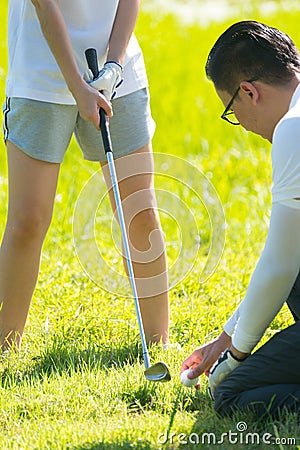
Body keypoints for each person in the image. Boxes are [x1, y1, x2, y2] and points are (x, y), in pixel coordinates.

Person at [0, 0, 170, 351]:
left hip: (116, 75)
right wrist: (78, 87)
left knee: (138, 212)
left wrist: (114, 67)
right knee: (27, 220)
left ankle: (157, 345)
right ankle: (4, 345)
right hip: (40, 73)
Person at [181, 20, 300, 418]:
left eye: (232, 111)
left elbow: (282, 264)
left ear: (249, 92)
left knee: (232, 396)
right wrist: (226, 337)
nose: (243, 127)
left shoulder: (293, 128)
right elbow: (287, 255)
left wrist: (234, 356)